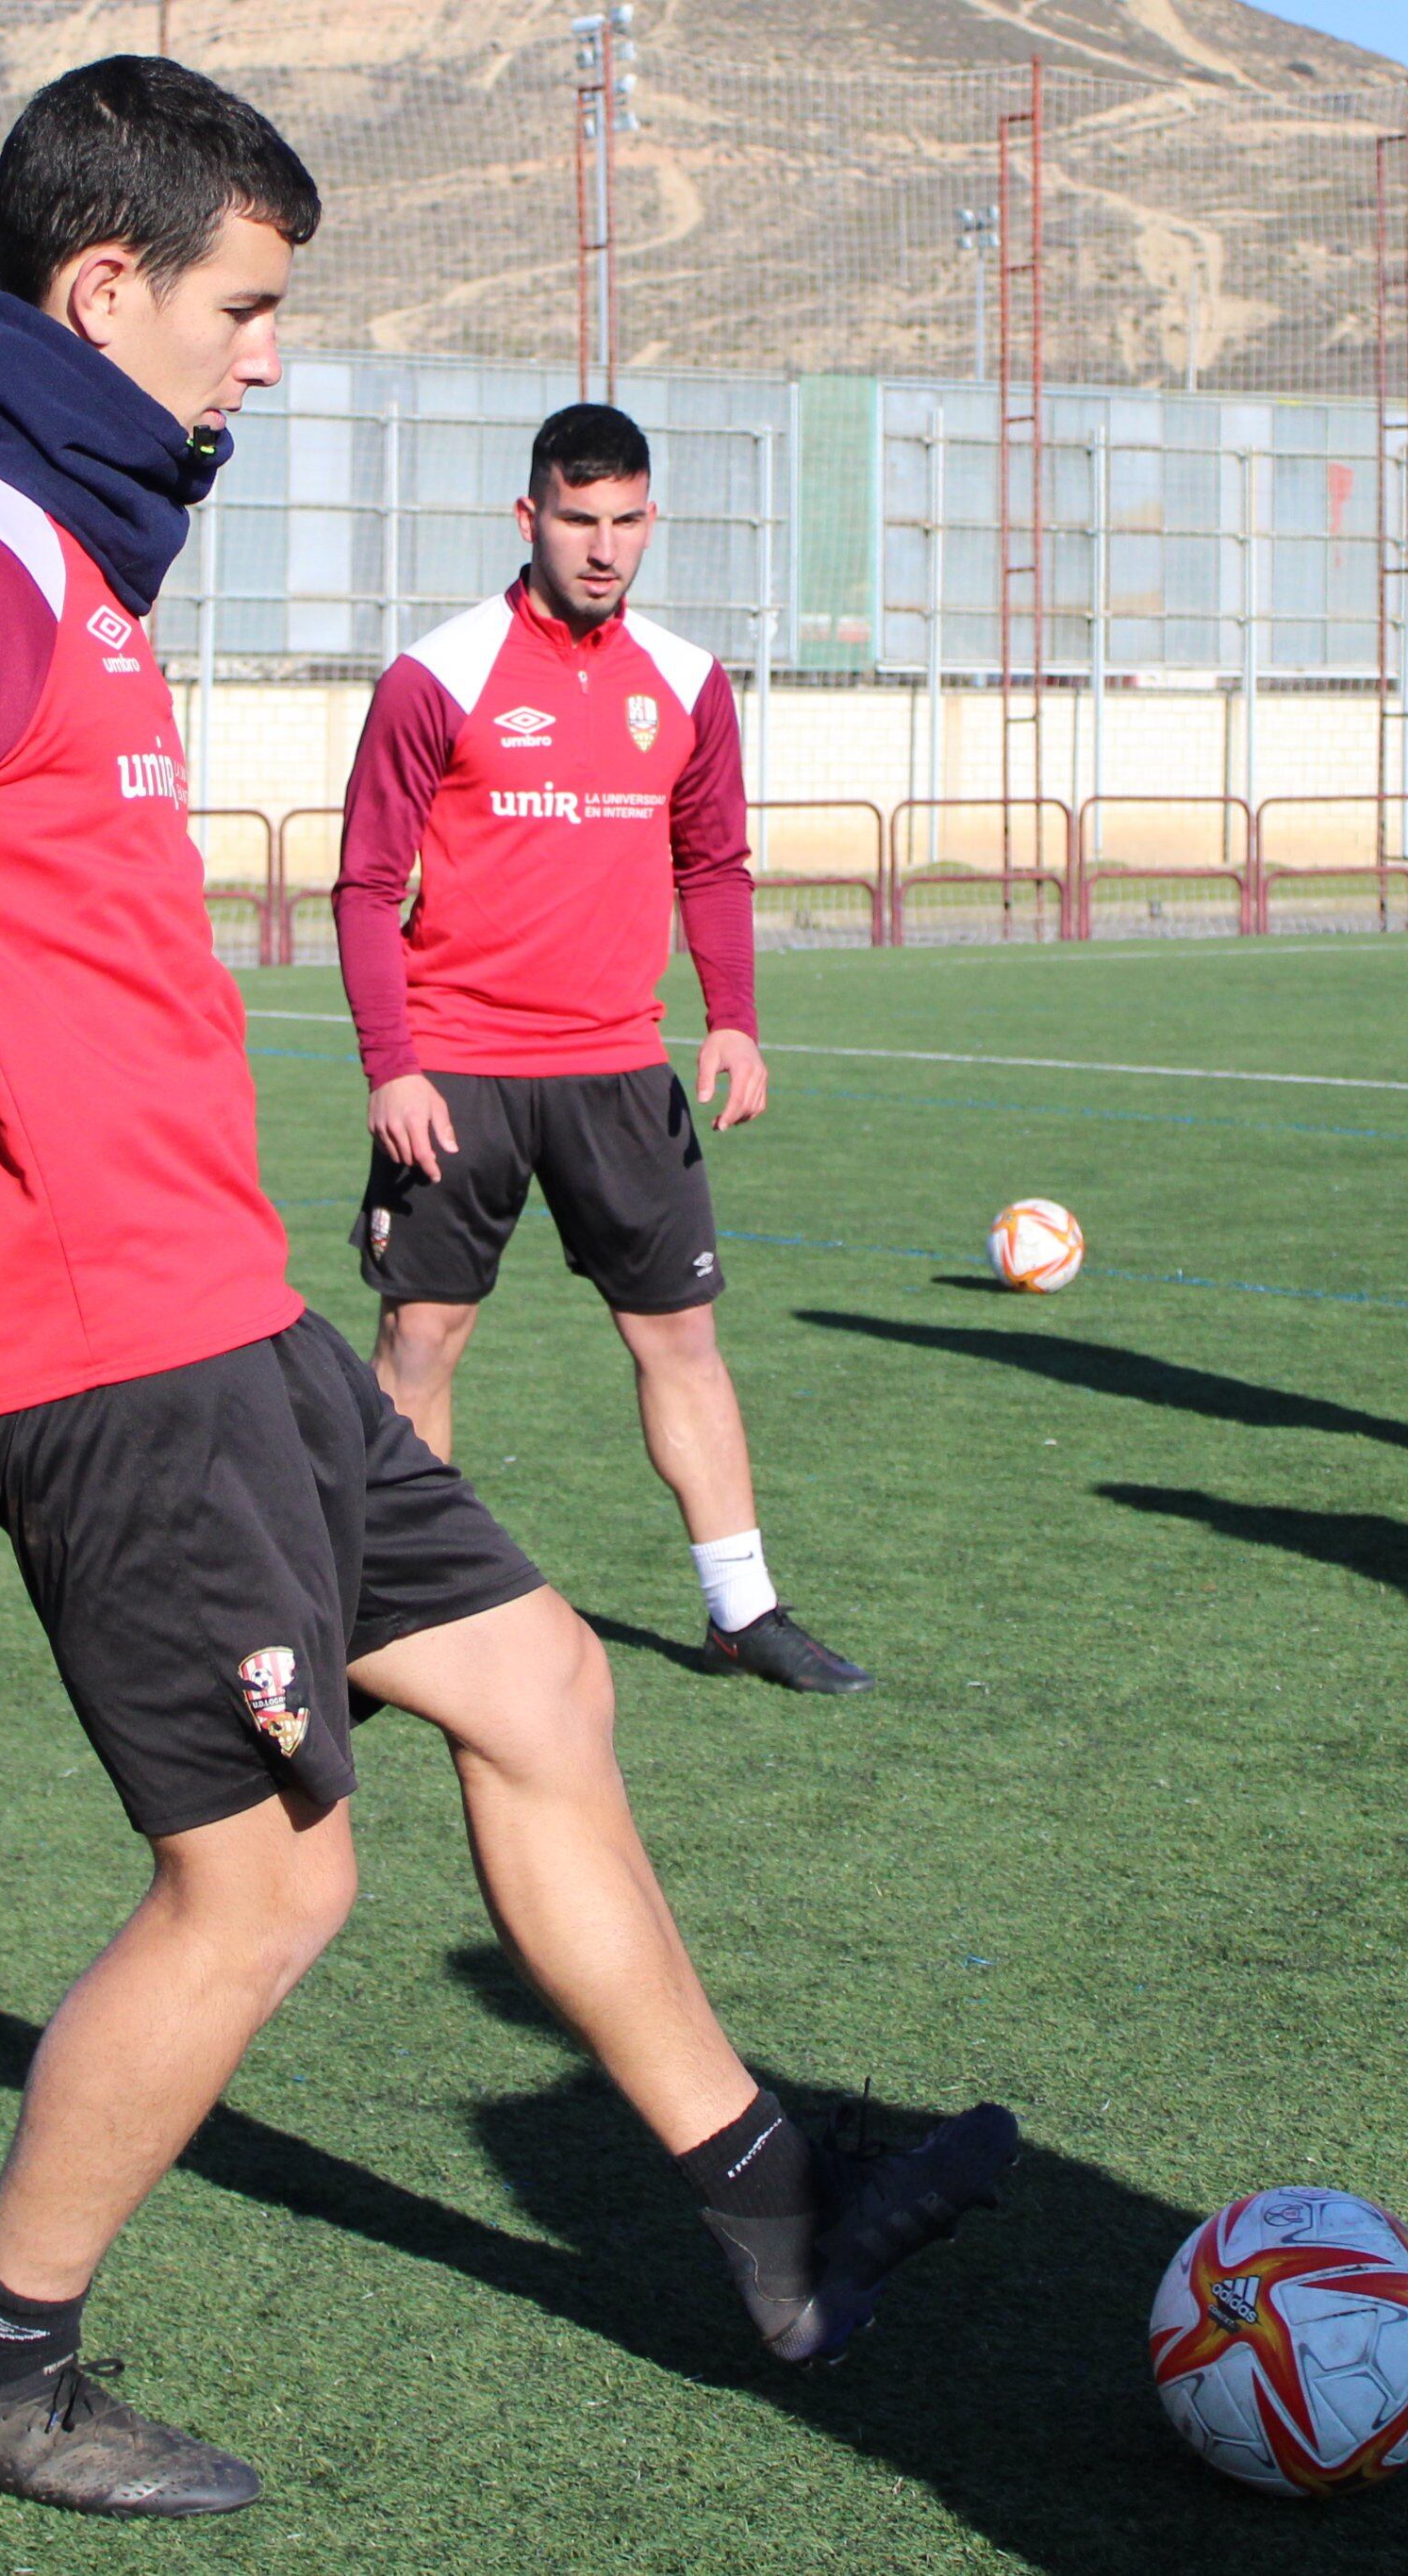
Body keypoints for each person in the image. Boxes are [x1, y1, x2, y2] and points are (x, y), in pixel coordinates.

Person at [0, 57, 1011, 2522]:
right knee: (270, 1878)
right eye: (246, 306)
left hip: (225, 1313)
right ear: (107, 288)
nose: (269, 360)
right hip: (99, 1349)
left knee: (542, 1678)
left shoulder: (64, 558)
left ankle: (770, 2208)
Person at [333, 403, 867, 1693]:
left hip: (623, 1071)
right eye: (579, 519)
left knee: (680, 1336)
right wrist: (389, 1063)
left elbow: (714, 862)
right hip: (456, 1065)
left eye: (627, 520)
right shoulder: (438, 673)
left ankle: (741, 1608)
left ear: (650, 521)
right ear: (530, 518)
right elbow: (362, 885)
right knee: (424, 1335)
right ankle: (388, 1613)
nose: (605, 546)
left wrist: (731, 1014)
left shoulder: (685, 683)